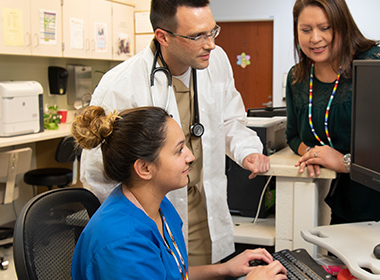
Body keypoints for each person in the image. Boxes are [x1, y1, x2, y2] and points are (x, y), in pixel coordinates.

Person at [79, 0, 270, 265]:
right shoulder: (120, 85)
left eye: (213, 31)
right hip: (151, 221)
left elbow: (230, 120)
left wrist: (247, 150)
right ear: (163, 37)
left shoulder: (217, 61)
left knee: (213, 269)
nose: (210, 44)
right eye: (197, 36)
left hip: (208, 206)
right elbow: (98, 175)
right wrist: (128, 234)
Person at [71, 106, 286, 280]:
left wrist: (225, 269)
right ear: (144, 168)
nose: (190, 156)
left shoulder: (158, 206)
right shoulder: (122, 244)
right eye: (179, 150)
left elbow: (171, 273)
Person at [285, 0, 380, 224]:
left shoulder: (375, 64)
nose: (315, 38)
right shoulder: (298, 77)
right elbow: (293, 136)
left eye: (325, 28)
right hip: (349, 200)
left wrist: (344, 162)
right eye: (306, 30)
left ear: (343, 26)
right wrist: (314, 154)